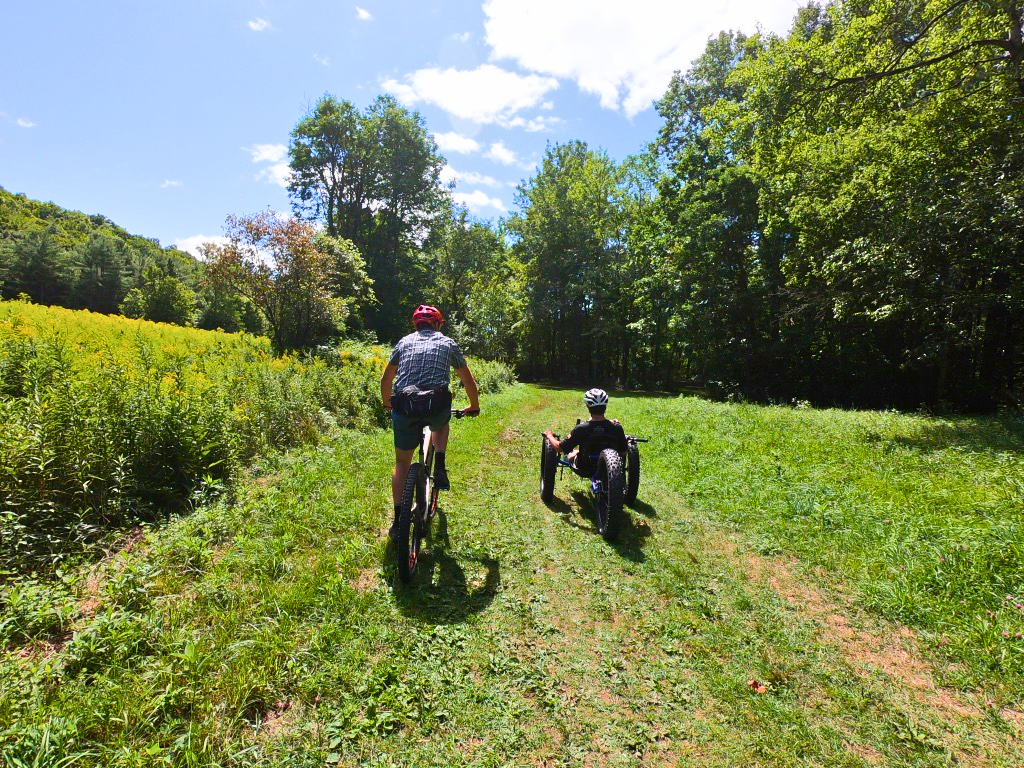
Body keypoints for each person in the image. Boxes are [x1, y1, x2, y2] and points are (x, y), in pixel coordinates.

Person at [380, 304, 479, 538]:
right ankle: (441, 463)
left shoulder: (403, 342)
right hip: (436, 404)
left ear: (416, 325)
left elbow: (386, 379)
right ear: (437, 323)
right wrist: (474, 405)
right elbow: (468, 380)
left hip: (405, 405)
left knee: (402, 463)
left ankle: (397, 522)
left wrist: (388, 403)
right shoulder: (447, 343)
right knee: (441, 421)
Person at [543, 388, 626, 475]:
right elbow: (623, 452)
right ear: (605, 406)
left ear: (588, 406)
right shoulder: (616, 427)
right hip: (610, 469)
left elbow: (559, 448)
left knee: (571, 454)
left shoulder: (581, 429)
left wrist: (549, 435)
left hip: (585, 467)